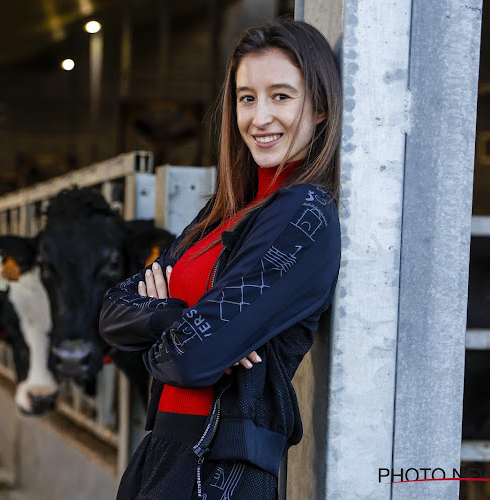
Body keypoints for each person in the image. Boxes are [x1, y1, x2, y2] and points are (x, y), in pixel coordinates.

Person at [99, 16, 342, 500]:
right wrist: (185, 319)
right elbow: (111, 312)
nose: (260, 117)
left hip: (219, 471)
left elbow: (189, 360)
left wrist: (179, 327)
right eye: (246, 98)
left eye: (282, 96)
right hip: (162, 452)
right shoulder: (221, 214)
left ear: (319, 108)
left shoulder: (304, 216)